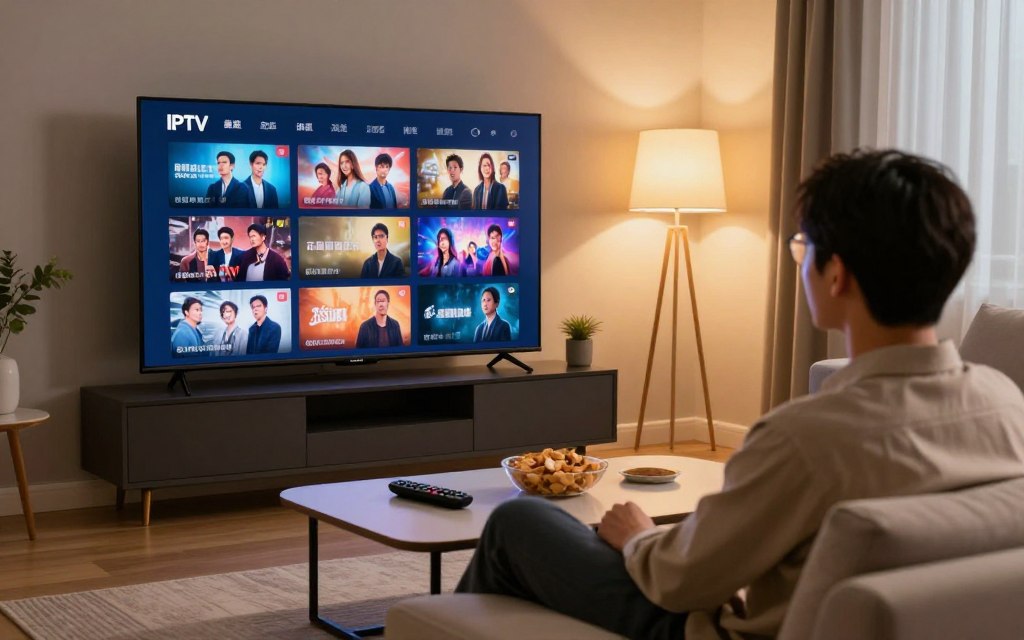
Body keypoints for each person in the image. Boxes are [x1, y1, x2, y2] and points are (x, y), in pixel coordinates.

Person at [455, 149, 1024, 639]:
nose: (801, 263)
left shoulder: (805, 438)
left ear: (838, 275)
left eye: (804, 249)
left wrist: (639, 540)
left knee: (519, 522)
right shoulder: (1006, 405)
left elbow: (681, 581)